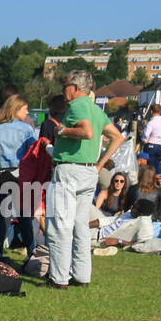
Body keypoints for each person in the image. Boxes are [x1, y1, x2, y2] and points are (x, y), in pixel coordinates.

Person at [47, 69, 124, 289]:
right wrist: (100, 164)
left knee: (61, 225)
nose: (63, 90)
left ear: (75, 87)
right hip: (89, 171)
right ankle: (81, 276)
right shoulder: (95, 108)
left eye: (65, 86)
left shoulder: (77, 106)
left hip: (69, 170)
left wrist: (62, 131)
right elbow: (117, 137)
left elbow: (87, 132)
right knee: (80, 225)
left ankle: (59, 278)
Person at [0, 95, 39, 258]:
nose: (27, 113)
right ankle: (30, 250)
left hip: (0, 173)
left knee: (1, 216)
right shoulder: (27, 130)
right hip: (21, 174)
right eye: (25, 109)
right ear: (16, 109)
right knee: (24, 215)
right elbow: (33, 153)